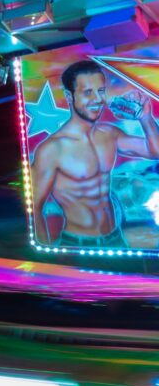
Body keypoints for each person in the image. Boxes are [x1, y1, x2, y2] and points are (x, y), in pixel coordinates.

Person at [31, 60, 159, 247]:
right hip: (78, 244)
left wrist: (146, 118)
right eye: (87, 92)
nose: (98, 99)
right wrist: (43, 258)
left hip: (115, 239)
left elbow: (155, 151)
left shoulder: (109, 134)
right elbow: (35, 208)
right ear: (69, 96)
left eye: (100, 91)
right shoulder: (52, 149)